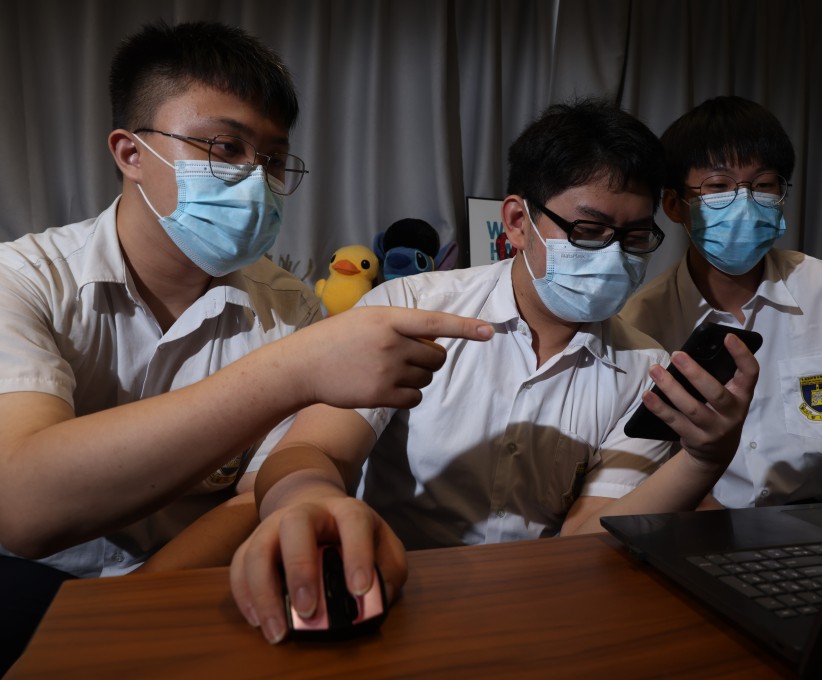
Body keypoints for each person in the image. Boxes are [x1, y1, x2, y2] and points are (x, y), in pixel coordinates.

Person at [0, 20, 493, 671]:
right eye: (225, 147)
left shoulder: (286, 303)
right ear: (130, 153)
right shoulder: (22, 279)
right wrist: (291, 371)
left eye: (271, 159)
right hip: (32, 585)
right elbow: (23, 506)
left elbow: (258, 491)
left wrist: (132, 609)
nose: (254, 179)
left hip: (193, 584)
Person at [229, 98, 760, 645]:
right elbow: (313, 451)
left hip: (540, 612)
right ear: (518, 221)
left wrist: (703, 458)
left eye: (635, 238)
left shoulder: (643, 367)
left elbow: (586, 536)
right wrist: (315, 503)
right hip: (391, 597)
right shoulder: (411, 306)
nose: (613, 256)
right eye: (589, 230)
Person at [620, 95, 822, 509]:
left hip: (819, 524)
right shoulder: (640, 320)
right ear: (673, 205)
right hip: (695, 528)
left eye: (762, 185)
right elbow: (638, 468)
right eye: (718, 187)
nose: (744, 202)